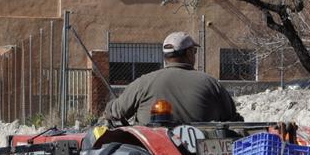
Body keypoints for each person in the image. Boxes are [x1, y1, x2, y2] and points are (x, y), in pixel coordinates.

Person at [103, 32, 243, 125]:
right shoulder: (211, 83)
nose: (194, 54)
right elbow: (233, 121)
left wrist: (110, 107)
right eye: (194, 51)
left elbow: (115, 112)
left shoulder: (144, 82)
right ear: (188, 53)